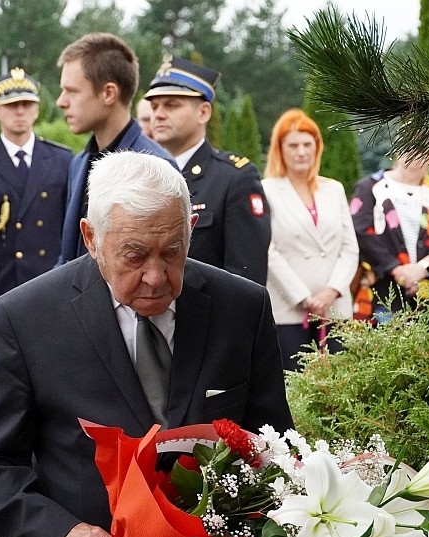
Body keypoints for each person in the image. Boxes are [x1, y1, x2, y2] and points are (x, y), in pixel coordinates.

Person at [0, 151, 293, 537]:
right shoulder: (27, 318)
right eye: (134, 255)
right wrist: (60, 534)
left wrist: (270, 527)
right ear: (91, 238)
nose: (156, 276)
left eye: (173, 252)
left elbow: (274, 442)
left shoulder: (239, 308)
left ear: (193, 228)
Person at [145, 56, 271, 285]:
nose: (158, 114)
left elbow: (246, 278)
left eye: (171, 104)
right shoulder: (143, 174)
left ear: (204, 112)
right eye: (154, 106)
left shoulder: (234, 178)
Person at [55, 33, 174, 265]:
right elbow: (70, 258)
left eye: (72, 91)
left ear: (109, 93)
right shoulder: (79, 163)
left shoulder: (153, 170)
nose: (61, 101)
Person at [260, 109, 358, 370]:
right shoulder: (267, 190)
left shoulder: (333, 189)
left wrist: (331, 291)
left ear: (317, 147)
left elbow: (349, 248)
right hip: (289, 309)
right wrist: (305, 297)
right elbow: (268, 250)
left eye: (307, 144)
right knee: (294, 386)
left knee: (342, 385)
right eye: (293, 145)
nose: (301, 152)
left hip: (335, 306)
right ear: (280, 149)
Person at [0, 68, 72, 299]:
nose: (20, 111)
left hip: (51, 281)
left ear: (37, 110)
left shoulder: (63, 160)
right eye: (12, 105)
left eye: (27, 104)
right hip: (1, 284)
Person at [351, 147, 429, 320]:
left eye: (425, 145)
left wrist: (421, 269)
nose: (417, 150)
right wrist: (396, 270)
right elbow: (360, 232)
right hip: (381, 292)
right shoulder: (370, 187)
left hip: (428, 294)